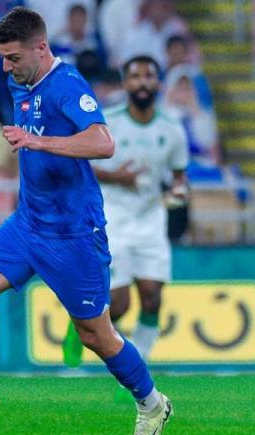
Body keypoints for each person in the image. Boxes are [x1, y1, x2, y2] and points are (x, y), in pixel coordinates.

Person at [0, 8, 171, 435]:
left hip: (73, 237)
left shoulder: (67, 85)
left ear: (41, 48)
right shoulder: (18, 80)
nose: (6, 68)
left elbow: (104, 142)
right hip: (27, 225)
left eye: (13, 58)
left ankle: (151, 405)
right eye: (2, 59)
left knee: (96, 336)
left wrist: (38, 141)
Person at [79, 56, 189, 373]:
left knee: (153, 298)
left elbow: (179, 175)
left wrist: (179, 191)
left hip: (152, 218)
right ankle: (80, 330)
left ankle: (138, 367)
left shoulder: (172, 130)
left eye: (149, 76)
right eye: (135, 76)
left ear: (158, 83)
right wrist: (117, 178)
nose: (142, 82)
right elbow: (81, 164)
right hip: (113, 218)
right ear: (126, 83)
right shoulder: (108, 121)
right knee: (121, 304)